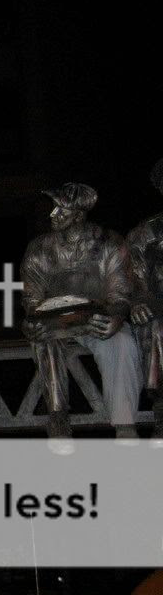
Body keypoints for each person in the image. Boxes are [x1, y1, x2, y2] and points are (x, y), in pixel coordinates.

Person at [21, 183, 142, 440]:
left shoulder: (110, 243)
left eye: (60, 210)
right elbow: (31, 297)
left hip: (97, 318)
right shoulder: (38, 249)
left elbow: (120, 292)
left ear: (78, 215)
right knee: (43, 339)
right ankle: (58, 416)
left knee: (123, 343)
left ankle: (124, 424)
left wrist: (116, 317)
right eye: (53, 208)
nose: (52, 214)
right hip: (55, 323)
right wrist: (32, 320)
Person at [126, 159, 163, 438]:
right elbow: (136, 279)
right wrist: (139, 301)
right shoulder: (146, 233)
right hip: (160, 307)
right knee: (155, 326)